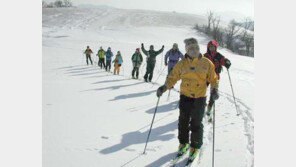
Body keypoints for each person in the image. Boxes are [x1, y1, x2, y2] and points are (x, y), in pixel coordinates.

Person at [156, 38, 219, 161]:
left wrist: (214, 90)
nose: (194, 51)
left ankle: (195, 146)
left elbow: (213, 79)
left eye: (196, 48)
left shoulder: (207, 63)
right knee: (183, 122)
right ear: (187, 51)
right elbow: (172, 77)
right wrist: (164, 87)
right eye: (191, 49)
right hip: (185, 97)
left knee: (196, 123)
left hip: (200, 98)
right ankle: (183, 144)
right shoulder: (182, 63)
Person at [204, 40, 231, 117]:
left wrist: (227, 62)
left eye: (213, 47)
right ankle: (202, 103)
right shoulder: (205, 56)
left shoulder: (218, 56)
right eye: (210, 47)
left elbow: (224, 60)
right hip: (205, 76)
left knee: (214, 93)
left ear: (215, 48)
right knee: (201, 90)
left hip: (215, 77)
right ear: (208, 48)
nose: (211, 48)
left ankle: (209, 108)